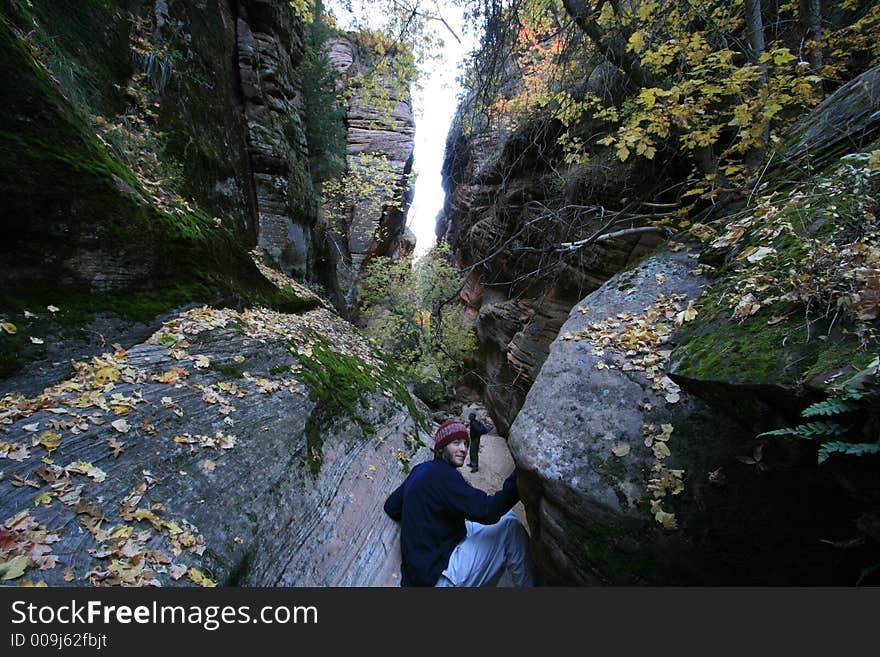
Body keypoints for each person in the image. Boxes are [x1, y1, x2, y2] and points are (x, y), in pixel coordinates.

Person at [383, 419, 536, 587]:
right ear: (441, 447)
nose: (463, 449)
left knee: (507, 515)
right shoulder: (444, 476)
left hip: (421, 571)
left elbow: (391, 507)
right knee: (509, 528)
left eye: (465, 443)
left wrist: (425, 517)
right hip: (437, 577)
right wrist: (521, 475)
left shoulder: (421, 469)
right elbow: (488, 511)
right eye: (456, 443)